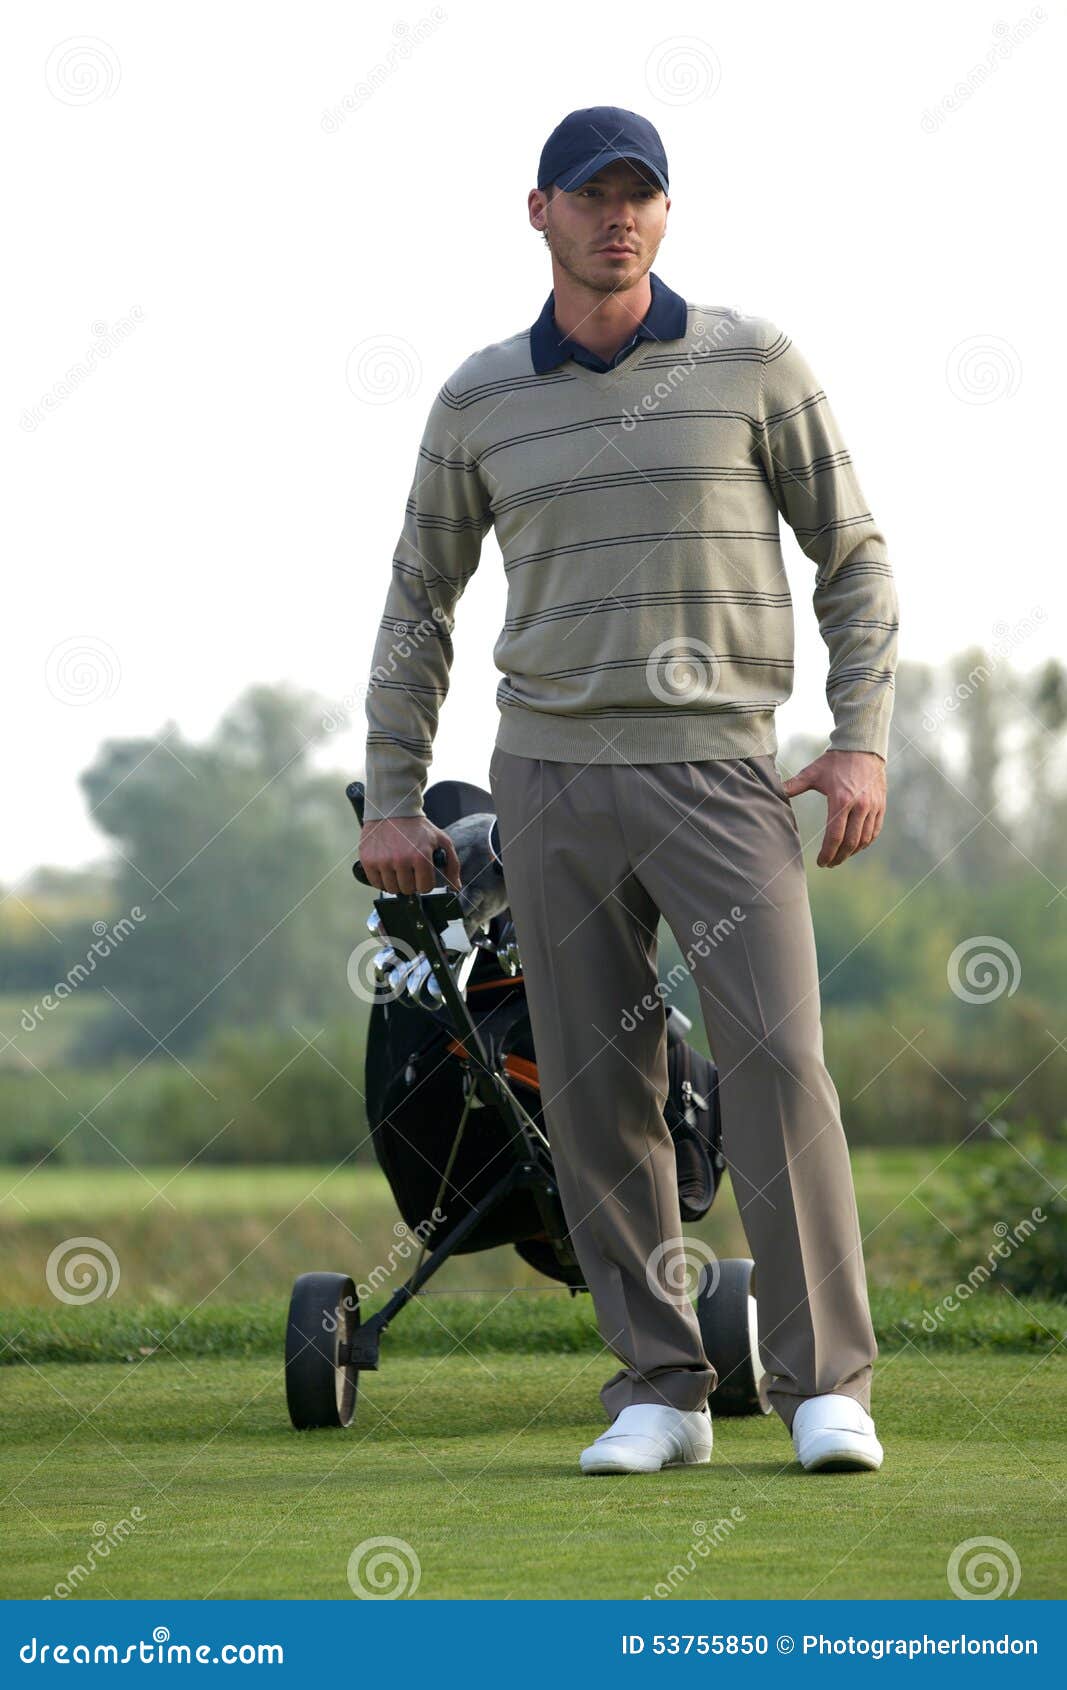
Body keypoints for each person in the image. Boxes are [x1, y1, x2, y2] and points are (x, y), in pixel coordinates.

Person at [359, 105, 898, 1477]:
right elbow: (421, 606)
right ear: (536, 210)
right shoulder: (481, 396)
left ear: (665, 213)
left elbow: (854, 558)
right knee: (599, 1086)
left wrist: (861, 738)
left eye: (640, 197)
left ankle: (826, 1382)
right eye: (591, 197)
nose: (619, 218)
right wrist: (393, 795)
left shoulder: (750, 361)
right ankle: (661, 1383)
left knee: (777, 1062)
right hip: (550, 773)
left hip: (720, 770)